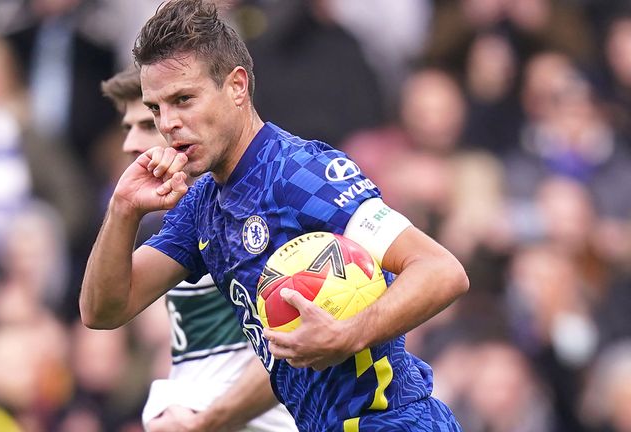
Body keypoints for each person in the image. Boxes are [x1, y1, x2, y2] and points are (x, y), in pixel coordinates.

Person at [80, 0, 469, 430]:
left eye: (183, 99)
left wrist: (347, 335)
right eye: (157, 109)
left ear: (237, 87)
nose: (168, 123)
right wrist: (123, 209)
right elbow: (104, 310)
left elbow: (441, 270)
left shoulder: (302, 173)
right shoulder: (201, 206)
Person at [100, 68, 297, 432]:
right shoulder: (176, 229)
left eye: (146, 124)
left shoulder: (266, 208)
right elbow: (101, 312)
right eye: (129, 127)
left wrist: (203, 418)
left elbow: (295, 347)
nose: (130, 143)